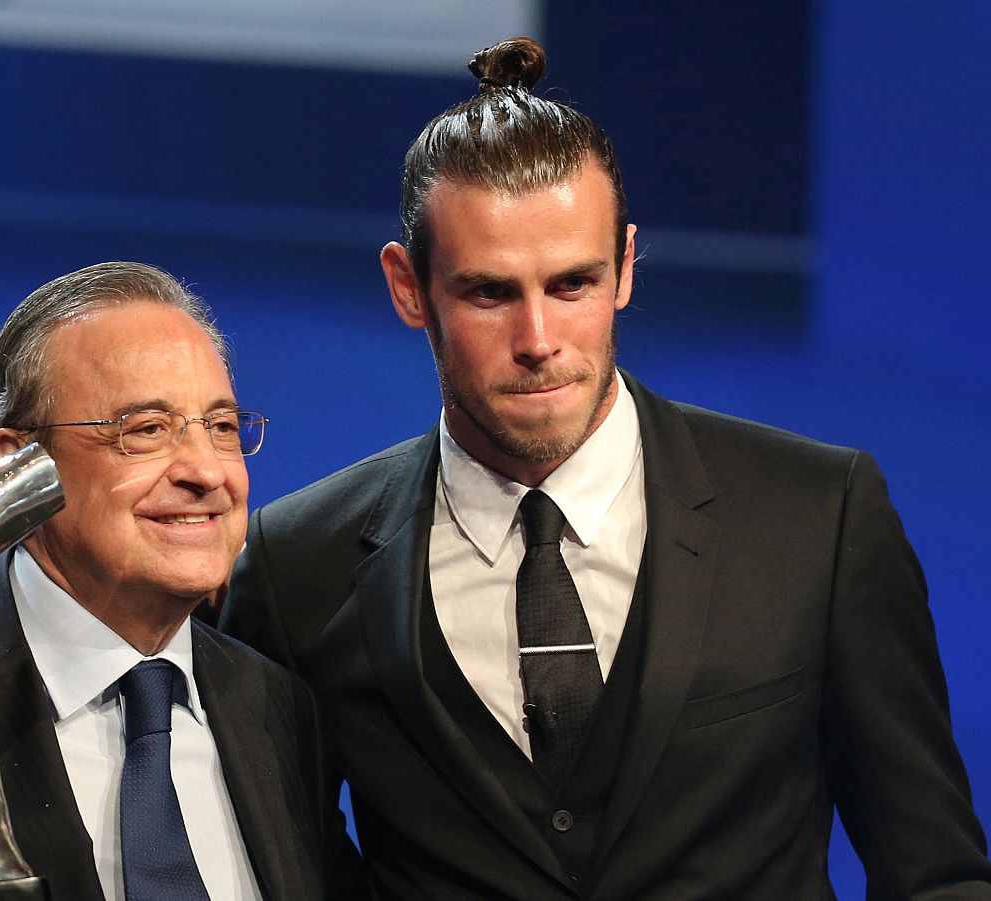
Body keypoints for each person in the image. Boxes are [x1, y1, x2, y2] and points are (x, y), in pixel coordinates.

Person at [220, 37, 991, 899]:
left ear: (625, 266)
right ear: (408, 287)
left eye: (572, 285)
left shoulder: (819, 517)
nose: (539, 340)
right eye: (489, 292)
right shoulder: (296, 568)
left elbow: (936, 873)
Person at [0, 262, 365, 901]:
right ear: (19, 464)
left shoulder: (279, 708)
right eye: (146, 430)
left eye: (222, 428)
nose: (207, 472)